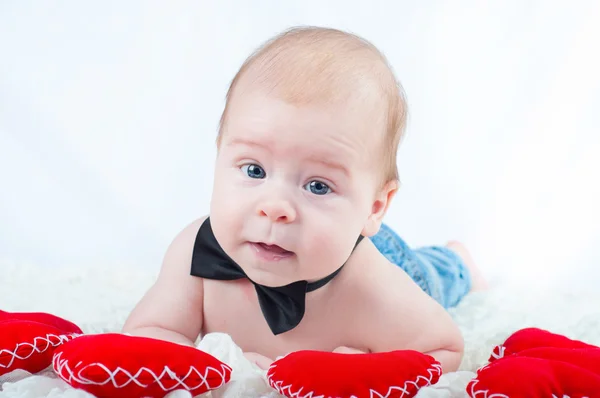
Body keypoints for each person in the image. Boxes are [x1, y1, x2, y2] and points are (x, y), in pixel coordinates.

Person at [122, 26, 488, 373]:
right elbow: (152, 330)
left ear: (374, 207)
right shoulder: (194, 253)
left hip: (383, 258)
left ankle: (459, 260)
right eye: (254, 170)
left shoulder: (374, 285)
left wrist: (358, 368)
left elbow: (443, 348)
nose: (275, 207)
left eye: (318, 186)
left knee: (434, 276)